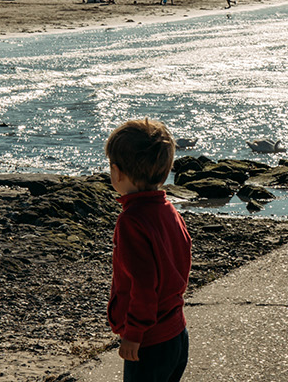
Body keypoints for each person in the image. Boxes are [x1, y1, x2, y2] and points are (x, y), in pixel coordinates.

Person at [105, 118, 191, 382]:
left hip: (150, 342)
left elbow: (143, 284)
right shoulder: (167, 209)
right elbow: (183, 257)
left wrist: (133, 334)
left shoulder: (132, 221)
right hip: (177, 332)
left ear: (117, 173)